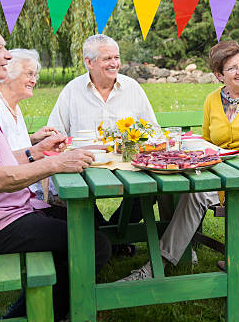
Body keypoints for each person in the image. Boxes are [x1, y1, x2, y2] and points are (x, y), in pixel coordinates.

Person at [0, 15, 111, 321]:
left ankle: (45, 308)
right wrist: (55, 163)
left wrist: (33, 152)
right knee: (95, 245)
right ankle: (33, 314)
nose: (8, 55)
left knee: (83, 224)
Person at [120, 40, 239, 281]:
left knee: (193, 193)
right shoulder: (212, 100)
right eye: (232, 67)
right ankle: (180, 251)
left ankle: (156, 266)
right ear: (218, 75)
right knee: (171, 185)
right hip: (220, 174)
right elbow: (205, 140)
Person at [47, 34, 158, 252]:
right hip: (84, 168)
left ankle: (112, 236)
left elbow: (153, 130)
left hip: (130, 166)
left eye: (116, 57)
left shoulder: (132, 88)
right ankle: (109, 238)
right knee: (77, 196)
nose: (114, 63)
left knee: (149, 191)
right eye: (107, 58)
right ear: (89, 62)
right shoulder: (72, 90)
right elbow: (55, 133)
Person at [0, 48, 61, 203]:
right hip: (13, 198)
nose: (34, 81)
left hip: (29, 190)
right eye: (29, 74)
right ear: (8, 75)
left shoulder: (13, 106)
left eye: (35, 76)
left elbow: (8, 145)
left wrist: (33, 139)